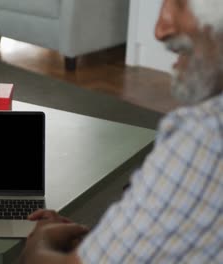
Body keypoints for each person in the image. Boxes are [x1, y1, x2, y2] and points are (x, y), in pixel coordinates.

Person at [20, 0, 223, 263]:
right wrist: (108, 237)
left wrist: (39, 243)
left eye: (180, 3)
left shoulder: (205, 136)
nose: (160, 29)